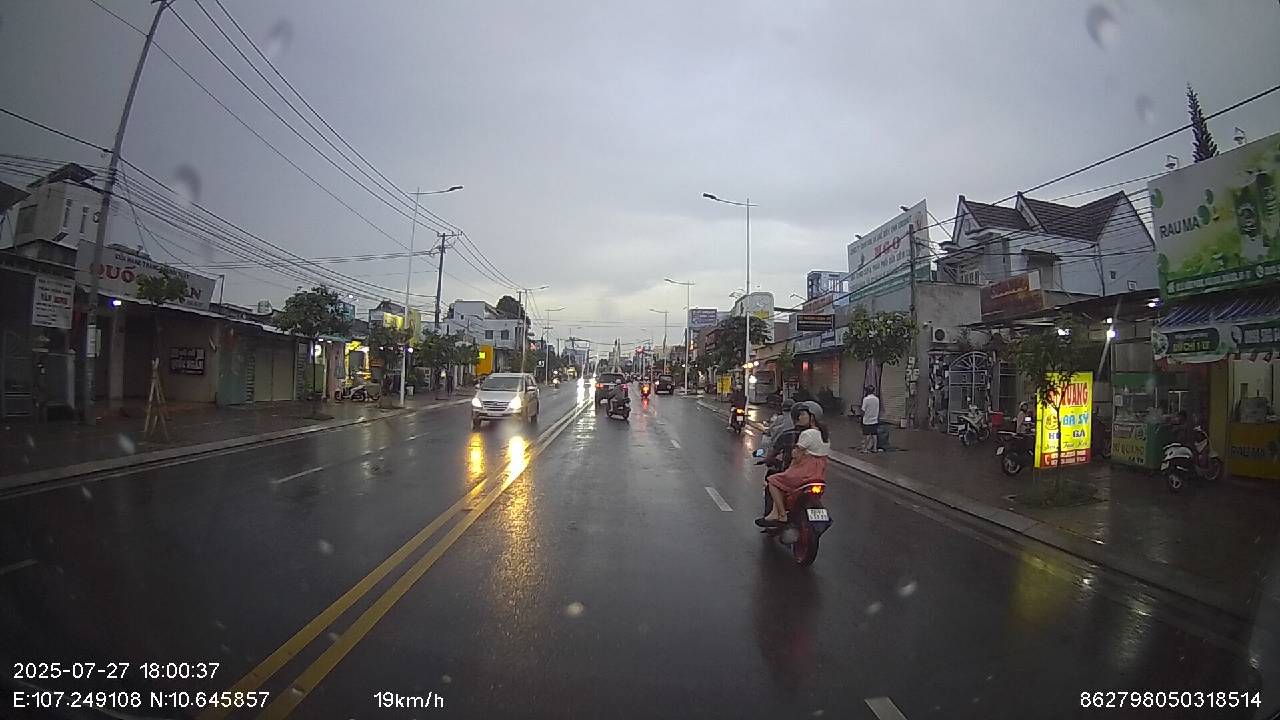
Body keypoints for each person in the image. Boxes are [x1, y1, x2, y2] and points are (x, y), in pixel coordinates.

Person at [757, 410, 830, 526]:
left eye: (803, 414)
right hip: (819, 474)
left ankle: (782, 515)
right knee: (782, 482)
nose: (800, 417)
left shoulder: (807, 434)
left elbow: (796, 457)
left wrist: (790, 468)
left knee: (773, 481)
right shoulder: (825, 436)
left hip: (804, 472)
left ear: (812, 417)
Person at [860, 385, 880, 453]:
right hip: (874, 419)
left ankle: (865, 449)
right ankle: (875, 448)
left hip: (867, 420)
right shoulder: (877, 399)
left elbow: (863, 410)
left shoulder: (866, 399)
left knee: (866, 434)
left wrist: (861, 417)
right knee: (874, 434)